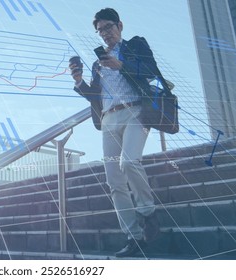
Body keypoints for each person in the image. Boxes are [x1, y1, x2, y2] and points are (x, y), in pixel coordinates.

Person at [70, 8, 160, 258]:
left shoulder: (135, 45)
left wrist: (121, 64)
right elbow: (96, 97)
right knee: (114, 181)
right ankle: (134, 236)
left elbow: (152, 71)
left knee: (129, 162)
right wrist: (79, 82)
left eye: (108, 27)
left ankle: (148, 211)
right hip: (108, 121)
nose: (105, 33)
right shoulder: (97, 63)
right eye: (100, 30)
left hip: (135, 112)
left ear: (120, 25)